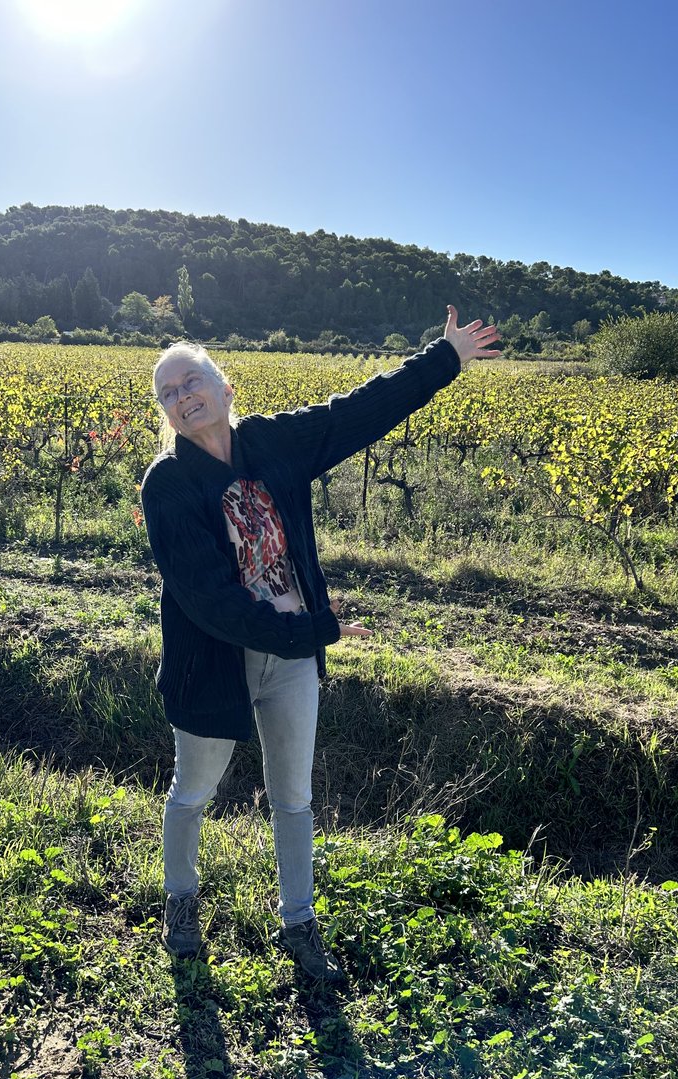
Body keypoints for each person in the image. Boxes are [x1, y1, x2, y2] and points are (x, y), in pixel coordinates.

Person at [140, 306, 500, 981]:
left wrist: (444, 357)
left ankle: (299, 923)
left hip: (293, 655)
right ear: (165, 412)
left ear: (225, 387)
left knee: (293, 797)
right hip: (214, 659)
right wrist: (316, 630)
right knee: (192, 792)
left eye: (191, 382)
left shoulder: (273, 443)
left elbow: (355, 413)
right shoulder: (168, 484)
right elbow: (210, 599)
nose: (182, 398)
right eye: (168, 393)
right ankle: (182, 902)